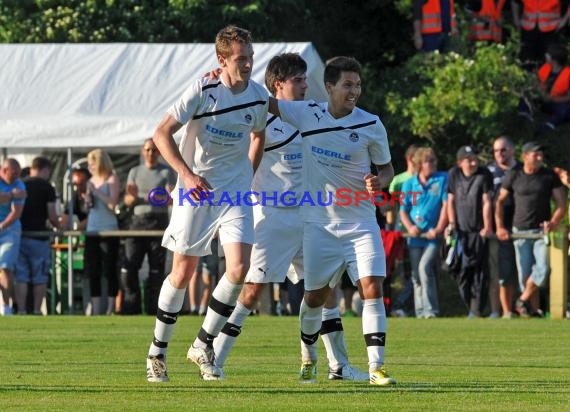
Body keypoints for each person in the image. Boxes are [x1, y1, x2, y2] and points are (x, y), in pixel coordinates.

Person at [212, 53, 368, 382]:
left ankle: (338, 366)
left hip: (311, 216)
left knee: (326, 291)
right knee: (252, 291)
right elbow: (240, 158)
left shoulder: (313, 114)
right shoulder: (261, 122)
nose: (305, 85)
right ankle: (214, 358)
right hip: (272, 217)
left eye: (305, 79)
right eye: (298, 80)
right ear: (278, 84)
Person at [145, 25, 269, 383]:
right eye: (240, 59)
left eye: (250, 58)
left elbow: (259, 134)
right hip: (196, 191)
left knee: (239, 268)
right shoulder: (203, 88)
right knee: (183, 272)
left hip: (235, 193)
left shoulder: (258, 97)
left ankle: (203, 343)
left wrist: (248, 172)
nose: (247, 65)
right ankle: (157, 352)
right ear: (222, 60)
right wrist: (186, 174)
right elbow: (161, 133)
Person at [268, 56, 396, 386]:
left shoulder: (371, 124)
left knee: (372, 288)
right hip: (319, 226)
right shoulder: (306, 113)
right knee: (314, 297)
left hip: (361, 222)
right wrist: (226, 81)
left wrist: (379, 182)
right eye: (347, 85)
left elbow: (387, 169)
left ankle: (376, 367)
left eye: (358, 84)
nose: (354, 91)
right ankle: (308, 356)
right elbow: (263, 102)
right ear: (329, 87)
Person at [496, 142, 565, 317]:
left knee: (542, 269)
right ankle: (532, 311)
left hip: (541, 232)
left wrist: (553, 222)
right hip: (519, 231)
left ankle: (522, 300)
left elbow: (561, 203)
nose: (540, 158)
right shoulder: (514, 175)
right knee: (524, 276)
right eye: (536, 155)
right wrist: (499, 227)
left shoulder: (549, 176)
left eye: (541, 155)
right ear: (525, 156)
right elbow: (499, 201)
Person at [120, 138, 175, 315]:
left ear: (159, 152)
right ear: (143, 151)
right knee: (129, 267)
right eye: (148, 150)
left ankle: (154, 309)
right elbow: (128, 201)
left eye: (154, 150)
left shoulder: (166, 172)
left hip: (158, 221)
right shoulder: (134, 172)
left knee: (156, 269)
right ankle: (131, 307)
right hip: (137, 221)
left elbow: (172, 198)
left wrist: (152, 198)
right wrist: (136, 198)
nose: (151, 153)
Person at [400, 147, 448, 319]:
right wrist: (410, 227)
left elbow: (446, 207)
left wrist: (439, 228)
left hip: (432, 236)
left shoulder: (442, 179)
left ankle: (431, 310)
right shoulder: (408, 184)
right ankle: (420, 311)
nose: (434, 164)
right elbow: (403, 211)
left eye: (434, 160)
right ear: (420, 164)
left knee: (424, 268)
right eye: (430, 161)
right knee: (415, 274)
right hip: (415, 237)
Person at [447, 146, 493, 318]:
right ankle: (470, 307)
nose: (473, 163)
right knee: (461, 271)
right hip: (460, 233)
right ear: (460, 162)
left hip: (479, 232)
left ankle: (477, 310)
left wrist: (487, 226)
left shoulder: (484, 174)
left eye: (475, 159)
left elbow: (486, 200)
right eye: (468, 160)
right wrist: (452, 224)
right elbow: (450, 201)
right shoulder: (454, 174)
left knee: (479, 274)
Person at [15, 157, 60, 315]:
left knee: (21, 276)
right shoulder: (47, 187)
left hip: (21, 236)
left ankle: (20, 310)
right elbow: (52, 215)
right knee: (39, 277)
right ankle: (36, 310)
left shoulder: (21, 184)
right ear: (45, 170)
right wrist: (59, 227)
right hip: (39, 237)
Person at [486, 136, 521, 319]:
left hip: (519, 226)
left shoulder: (522, 169)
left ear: (512, 150)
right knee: (497, 272)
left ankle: (522, 309)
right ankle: (495, 310)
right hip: (496, 230)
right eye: (496, 150)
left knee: (519, 272)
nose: (499, 154)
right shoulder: (489, 171)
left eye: (503, 150)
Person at [84, 149, 120, 315]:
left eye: (92, 164)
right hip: (92, 229)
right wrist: (88, 199)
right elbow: (88, 208)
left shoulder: (112, 179)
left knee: (110, 269)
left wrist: (96, 192)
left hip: (109, 230)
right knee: (93, 270)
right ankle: (96, 308)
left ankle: (111, 307)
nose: (90, 167)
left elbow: (113, 205)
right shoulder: (90, 180)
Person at [386, 144, 418, 317]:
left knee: (419, 272)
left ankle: (410, 307)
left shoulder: (424, 179)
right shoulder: (399, 180)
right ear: (410, 159)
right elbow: (392, 208)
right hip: (402, 231)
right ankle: (401, 306)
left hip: (421, 231)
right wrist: (390, 230)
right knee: (404, 273)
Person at [0, 158, 26, 316]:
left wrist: (2, 226)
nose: (17, 177)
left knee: (5, 266)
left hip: (9, 229)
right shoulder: (14, 189)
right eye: (13, 174)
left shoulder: (19, 185)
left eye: (19, 173)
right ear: (3, 170)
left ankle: (7, 306)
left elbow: (16, 212)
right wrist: (10, 195)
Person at [511, 0, 568, 70]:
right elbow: (515, 2)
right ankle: (527, 78)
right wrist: (516, 19)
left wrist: (564, 21)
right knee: (526, 60)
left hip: (550, 30)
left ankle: (546, 79)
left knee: (548, 61)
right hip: (528, 29)